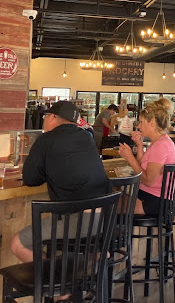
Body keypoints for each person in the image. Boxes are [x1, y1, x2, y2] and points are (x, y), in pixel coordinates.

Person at [11, 101, 110, 262]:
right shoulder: (87, 136)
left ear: (53, 117)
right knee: (87, 247)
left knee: (17, 244)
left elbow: (30, 179)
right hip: (102, 221)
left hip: (78, 222)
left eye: (46, 116)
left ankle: (53, 282)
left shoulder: (45, 140)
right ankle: (91, 266)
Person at [118, 99, 175, 215]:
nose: (139, 126)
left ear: (152, 122)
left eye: (141, 122)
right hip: (152, 196)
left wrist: (130, 157)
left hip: (154, 201)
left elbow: (148, 180)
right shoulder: (159, 142)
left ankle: (120, 233)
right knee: (113, 196)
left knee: (108, 203)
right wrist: (139, 145)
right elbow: (141, 169)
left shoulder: (160, 146)